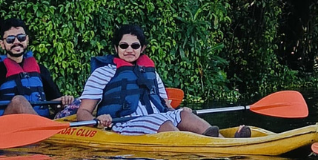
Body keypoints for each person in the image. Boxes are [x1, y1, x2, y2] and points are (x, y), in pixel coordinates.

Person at [75, 24, 221, 136]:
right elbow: (83, 112)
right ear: (116, 48)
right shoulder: (103, 73)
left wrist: (178, 110)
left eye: (135, 45)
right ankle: (196, 145)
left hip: (158, 117)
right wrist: (98, 120)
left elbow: (166, 106)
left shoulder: (151, 72)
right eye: (124, 45)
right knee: (165, 122)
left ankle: (221, 141)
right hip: (124, 122)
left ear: (142, 48)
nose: (129, 50)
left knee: (184, 115)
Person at [0, 18, 75, 121]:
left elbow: (56, 104)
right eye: (10, 39)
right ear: (2, 44)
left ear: (27, 40)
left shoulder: (40, 70)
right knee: (18, 101)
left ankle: (46, 127)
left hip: (41, 124)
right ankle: (43, 128)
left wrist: (65, 101)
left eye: (21, 37)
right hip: (6, 125)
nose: (16, 42)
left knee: (78, 102)